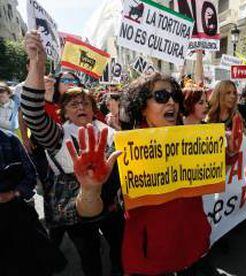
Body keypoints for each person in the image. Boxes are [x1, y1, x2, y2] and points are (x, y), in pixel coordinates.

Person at [70, 72, 214, 275]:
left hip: (195, 254)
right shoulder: (127, 150)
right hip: (151, 263)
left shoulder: (191, 141)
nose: (171, 101)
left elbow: (212, 175)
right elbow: (88, 212)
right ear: (142, 108)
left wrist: (230, 153)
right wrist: (90, 189)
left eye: (175, 96)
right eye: (161, 96)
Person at [21, 30, 124, 275]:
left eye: (86, 103)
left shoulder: (108, 131)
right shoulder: (56, 135)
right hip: (76, 213)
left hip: (110, 208)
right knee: (90, 256)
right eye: (73, 104)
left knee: (119, 247)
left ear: (92, 108)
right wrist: (37, 64)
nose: (81, 107)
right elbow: (33, 113)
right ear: (64, 113)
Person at [0, 128, 67, 275]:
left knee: (37, 264)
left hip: (18, 213)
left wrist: (13, 193)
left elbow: (30, 175)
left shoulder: (10, 140)